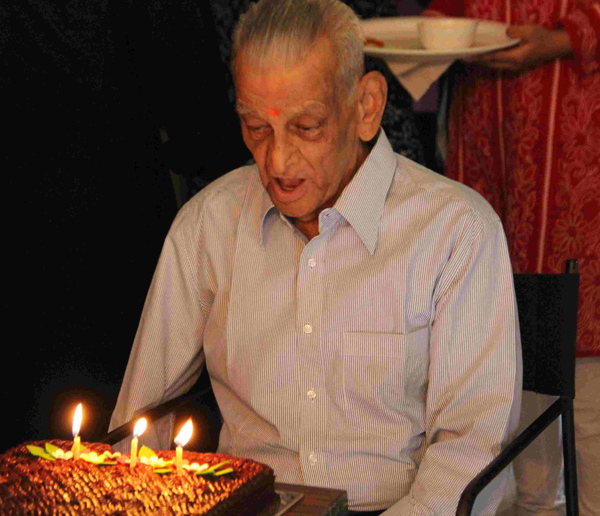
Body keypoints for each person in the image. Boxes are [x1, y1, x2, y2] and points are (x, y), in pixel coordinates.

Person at [109, 0, 522, 514]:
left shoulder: (454, 230)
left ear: (366, 106)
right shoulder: (208, 225)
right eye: (256, 128)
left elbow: (471, 450)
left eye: (306, 127)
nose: (278, 161)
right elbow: (139, 423)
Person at [422, 1, 600, 516]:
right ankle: (534, 501)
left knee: (584, 337)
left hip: (579, 121)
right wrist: (443, 27)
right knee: (502, 325)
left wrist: (562, 39)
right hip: (488, 125)